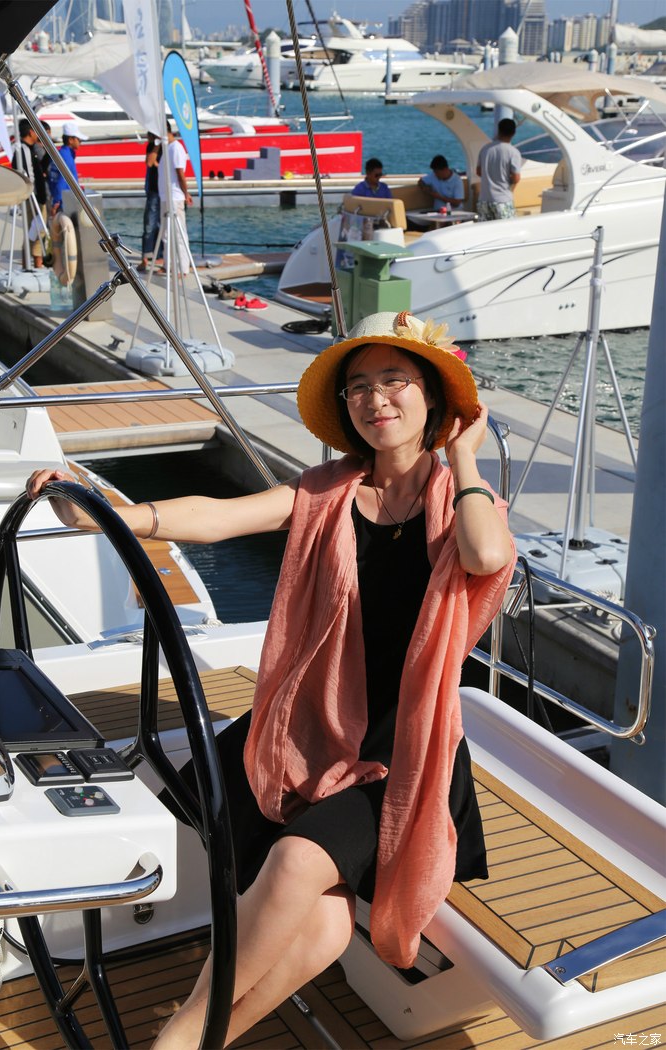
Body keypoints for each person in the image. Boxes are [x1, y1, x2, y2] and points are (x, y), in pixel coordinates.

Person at [26, 309, 515, 1048]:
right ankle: (204, 1041)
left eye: (395, 380)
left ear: (435, 400)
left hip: (403, 755)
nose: (375, 398)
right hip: (313, 733)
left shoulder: (463, 506)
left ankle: (180, 1036)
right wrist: (112, 516)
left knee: (293, 865)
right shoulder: (326, 494)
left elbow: (485, 557)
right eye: (359, 386)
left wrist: (465, 457)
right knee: (321, 927)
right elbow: (219, 518)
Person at [11, 119, 48, 266]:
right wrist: (36, 197)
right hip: (33, 198)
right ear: (31, 132)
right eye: (36, 130)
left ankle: (33, 263)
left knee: (36, 229)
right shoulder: (24, 150)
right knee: (38, 230)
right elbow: (28, 176)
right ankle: (32, 263)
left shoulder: (30, 149)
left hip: (35, 197)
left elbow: (38, 169)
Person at [158, 120, 192, 276]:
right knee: (166, 234)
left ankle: (182, 268)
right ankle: (168, 264)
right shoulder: (166, 148)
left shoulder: (176, 148)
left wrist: (185, 193)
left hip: (175, 196)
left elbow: (180, 173)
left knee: (178, 233)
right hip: (165, 196)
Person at [475, 117, 522, 221]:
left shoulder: (485, 149)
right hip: (503, 200)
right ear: (513, 133)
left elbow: (478, 172)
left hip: (484, 200)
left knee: (486, 229)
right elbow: (516, 178)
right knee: (506, 229)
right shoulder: (513, 152)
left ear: (499, 130)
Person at [48, 120, 87, 214]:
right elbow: (61, 180)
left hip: (65, 198)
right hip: (64, 202)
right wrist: (57, 202)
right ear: (70, 140)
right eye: (79, 139)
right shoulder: (66, 156)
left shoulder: (62, 153)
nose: (80, 142)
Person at [138, 131, 162, 272]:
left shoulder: (168, 146)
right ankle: (145, 258)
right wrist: (156, 145)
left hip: (163, 191)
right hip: (153, 190)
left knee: (161, 225)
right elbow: (150, 162)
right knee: (149, 225)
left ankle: (159, 255)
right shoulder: (152, 146)